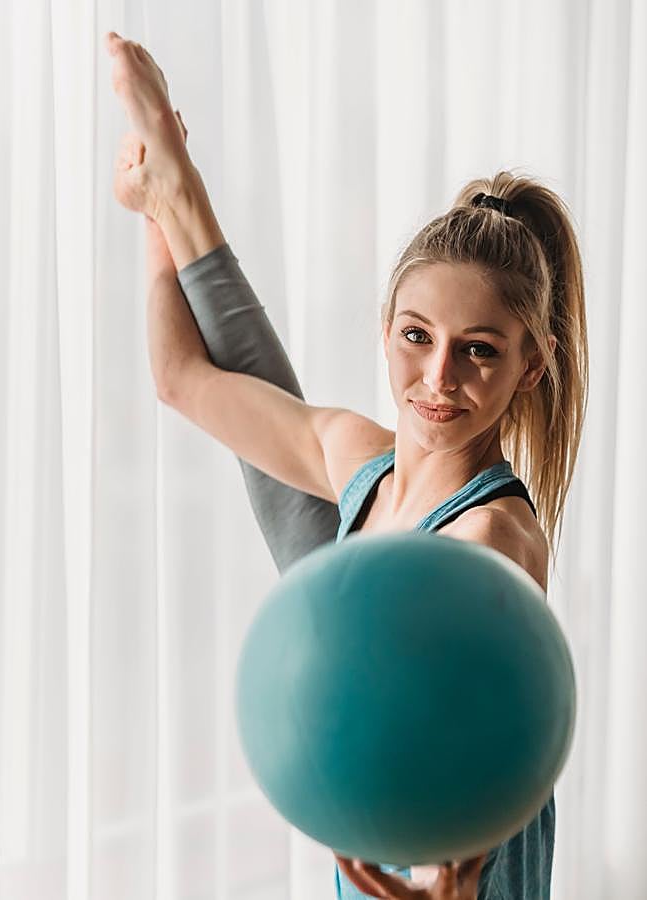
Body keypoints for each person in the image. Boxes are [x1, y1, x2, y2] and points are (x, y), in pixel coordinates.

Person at [105, 31, 589, 900]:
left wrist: (444, 881)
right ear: (386, 327)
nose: (438, 377)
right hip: (378, 865)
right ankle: (178, 194)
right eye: (417, 336)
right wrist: (152, 218)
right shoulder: (360, 458)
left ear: (532, 366)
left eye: (479, 350)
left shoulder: (491, 541)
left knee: (321, 554)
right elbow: (182, 378)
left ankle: (183, 195)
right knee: (311, 497)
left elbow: (474, 741)